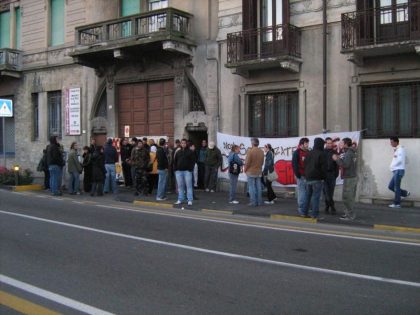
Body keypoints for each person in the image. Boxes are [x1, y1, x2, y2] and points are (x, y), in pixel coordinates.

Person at [332, 137, 357, 220]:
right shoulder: (349, 152)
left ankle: (350, 215)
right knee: (347, 197)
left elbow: (345, 165)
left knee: (347, 197)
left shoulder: (349, 153)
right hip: (350, 177)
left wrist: (337, 159)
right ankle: (348, 213)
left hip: (350, 178)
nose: (340, 144)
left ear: (346, 144)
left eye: (342, 143)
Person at [303, 138, 326, 218]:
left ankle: (304, 213)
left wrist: (306, 175)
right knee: (316, 197)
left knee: (308, 196)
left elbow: (305, 165)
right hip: (317, 179)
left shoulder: (309, 153)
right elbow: (323, 168)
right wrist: (324, 177)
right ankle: (314, 215)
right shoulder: (322, 154)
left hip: (308, 178)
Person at [388, 136, 410, 208]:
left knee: (396, 187)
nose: (390, 144)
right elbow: (406, 160)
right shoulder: (397, 149)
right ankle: (405, 193)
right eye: (390, 142)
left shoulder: (400, 149)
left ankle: (397, 203)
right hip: (397, 170)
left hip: (398, 170)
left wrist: (392, 166)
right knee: (391, 186)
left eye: (392, 142)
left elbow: (400, 160)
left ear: (396, 142)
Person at [173, 138, 196, 206]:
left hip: (187, 171)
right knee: (180, 186)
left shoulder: (190, 152)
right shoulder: (178, 152)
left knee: (188, 186)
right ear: (181, 144)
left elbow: (193, 161)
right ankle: (180, 199)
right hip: (179, 171)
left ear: (186, 144)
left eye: (184, 143)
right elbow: (175, 161)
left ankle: (190, 200)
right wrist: (176, 169)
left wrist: (190, 169)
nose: (183, 144)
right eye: (182, 143)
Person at [244, 138, 264, 206]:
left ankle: (253, 202)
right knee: (258, 187)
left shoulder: (250, 151)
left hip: (251, 171)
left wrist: (245, 169)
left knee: (251, 187)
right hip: (258, 171)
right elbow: (262, 162)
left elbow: (247, 163)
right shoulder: (261, 151)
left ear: (252, 143)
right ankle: (259, 201)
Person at [292, 137, 310, 216]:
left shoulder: (308, 152)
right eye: (306, 143)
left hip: (308, 176)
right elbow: (294, 164)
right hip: (301, 176)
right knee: (302, 192)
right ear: (301, 144)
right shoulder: (297, 152)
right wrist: (298, 174)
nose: (307, 145)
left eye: (307, 143)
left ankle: (306, 208)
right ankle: (302, 209)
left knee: (307, 192)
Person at [323, 137, 339, 214]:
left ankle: (328, 206)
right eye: (328, 143)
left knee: (331, 192)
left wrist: (336, 174)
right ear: (325, 144)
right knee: (326, 192)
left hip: (332, 174)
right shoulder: (322, 152)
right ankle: (331, 206)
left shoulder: (334, 152)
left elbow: (337, 165)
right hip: (324, 175)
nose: (329, 144)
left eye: (330, 143)